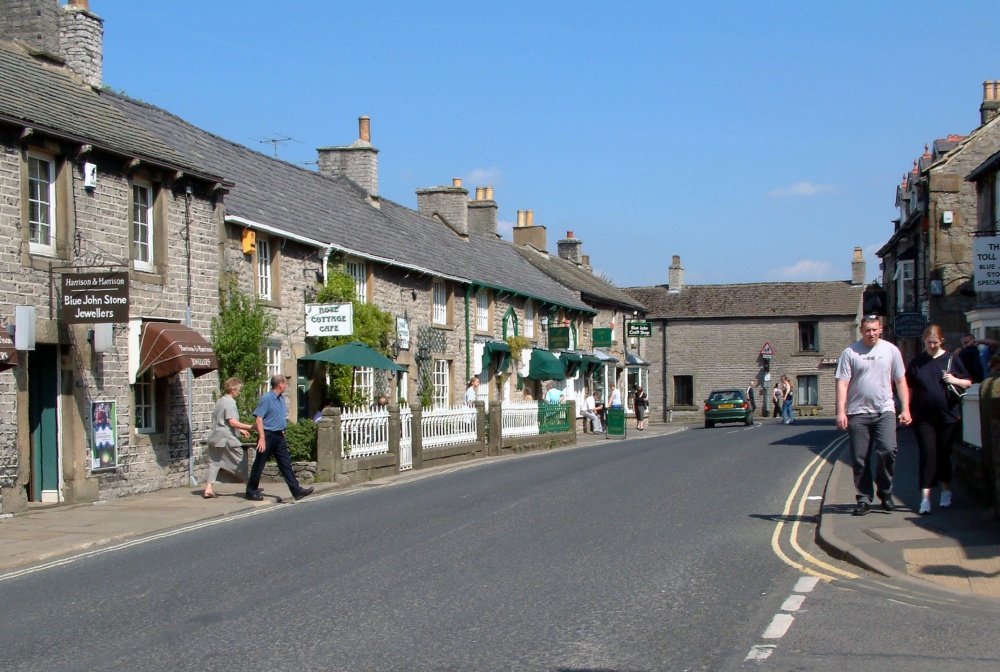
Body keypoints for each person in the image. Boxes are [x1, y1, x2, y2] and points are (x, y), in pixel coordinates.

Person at [836, 314, 911, 516]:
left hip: (884, 410)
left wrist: (906, 408)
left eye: (875, 329)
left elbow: (900, 381)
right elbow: (842, 383)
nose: (871, 333)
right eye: (867, 329)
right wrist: (841, 411)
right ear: (861, 330)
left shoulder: (891, 351)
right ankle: (863, 498)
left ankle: (885, 491)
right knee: (860, 459)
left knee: (888, 450)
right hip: (857, 413)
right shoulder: (850, 352)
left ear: (881, 329)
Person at [906, 325, 972, 515]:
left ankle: (945, 490)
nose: (932, 346)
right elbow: (908, 386)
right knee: (928, 454)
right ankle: (925, 499)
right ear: (924, 341)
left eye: (935, 342)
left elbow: (968, 382)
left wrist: (954, 380)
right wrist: (906, 409)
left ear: (941, 341)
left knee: (944, 454)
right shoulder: (918, 362)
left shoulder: (952, 359)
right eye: (929, 343)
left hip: (948, 416)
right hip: (923, 417)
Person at [246, 375, 314, 502]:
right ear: (280, 385)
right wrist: (261, 437)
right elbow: (259, 418)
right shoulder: (267, 398)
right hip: (267, 435)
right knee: (259, 464)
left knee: (285, 463)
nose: (286, 386)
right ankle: (251, 490)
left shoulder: (281, 398)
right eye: (285, 383)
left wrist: (282, 429)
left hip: (279, 436)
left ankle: (296, 490)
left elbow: (279, 416)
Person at [204, 377, 254, 499]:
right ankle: (250, 487)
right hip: (227, 439)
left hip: (216, 437)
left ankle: (208, 488)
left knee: (215, 463)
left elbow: (223, 421)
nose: (240, 392)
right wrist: (252, 427)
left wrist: (241, 430)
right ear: (233, 389)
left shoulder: (220, 401)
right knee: (241, 461)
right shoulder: (230, 402)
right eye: (239, 389)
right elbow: (232, 422)